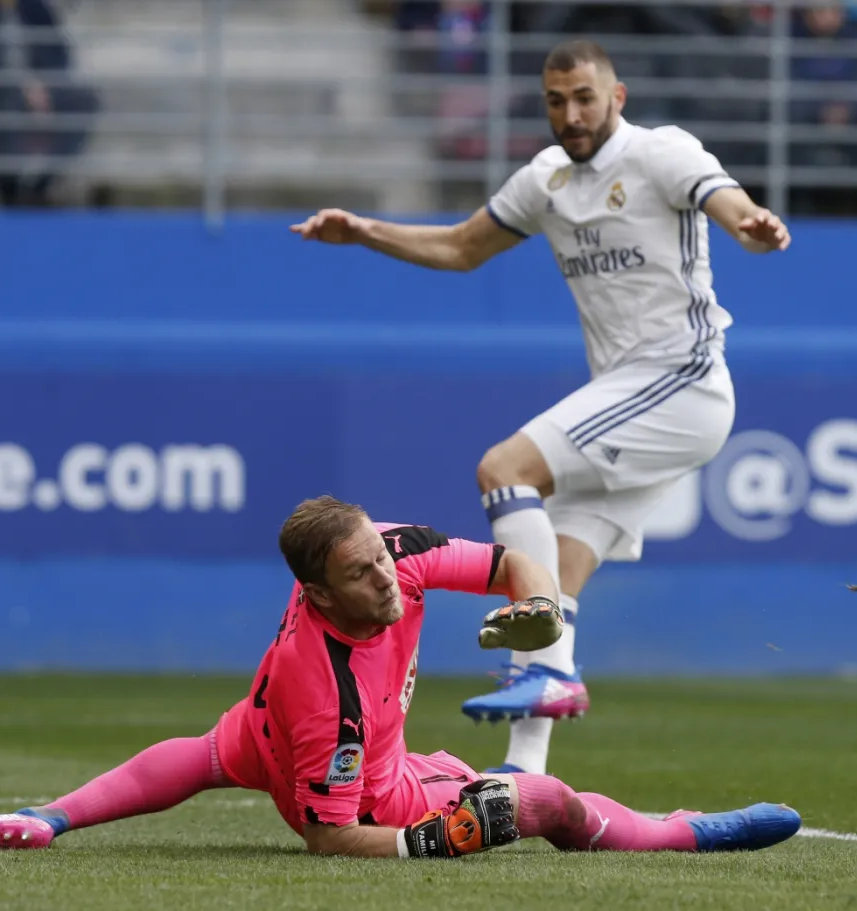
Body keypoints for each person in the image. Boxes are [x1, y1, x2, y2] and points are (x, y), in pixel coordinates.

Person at [289, 38, 791, 776]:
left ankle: (550, 674)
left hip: (680, 379)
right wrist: (364, 230)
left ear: (616, 97)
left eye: (585, 97)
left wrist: (749, 220)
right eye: (556, 100)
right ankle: (526, 770)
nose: (571, 113)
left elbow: (721, 196)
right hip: (633, 397)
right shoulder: (546, 179)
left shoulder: (659, 153)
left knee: (504, 468)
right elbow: (462, 247)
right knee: (552, 562)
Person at [0, 496, 800, 858]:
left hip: (261, 729)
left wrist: (538, 614)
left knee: (204, 752)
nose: (388, 582)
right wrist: (431, 839)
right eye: (363, 576)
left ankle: (40, 816)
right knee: (542, 804)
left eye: (382, 560)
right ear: (315, 592)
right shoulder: (323, 686)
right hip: (353, 786)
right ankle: (685, 835)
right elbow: (330, 837)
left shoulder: (397, 550)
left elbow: (513, 562)